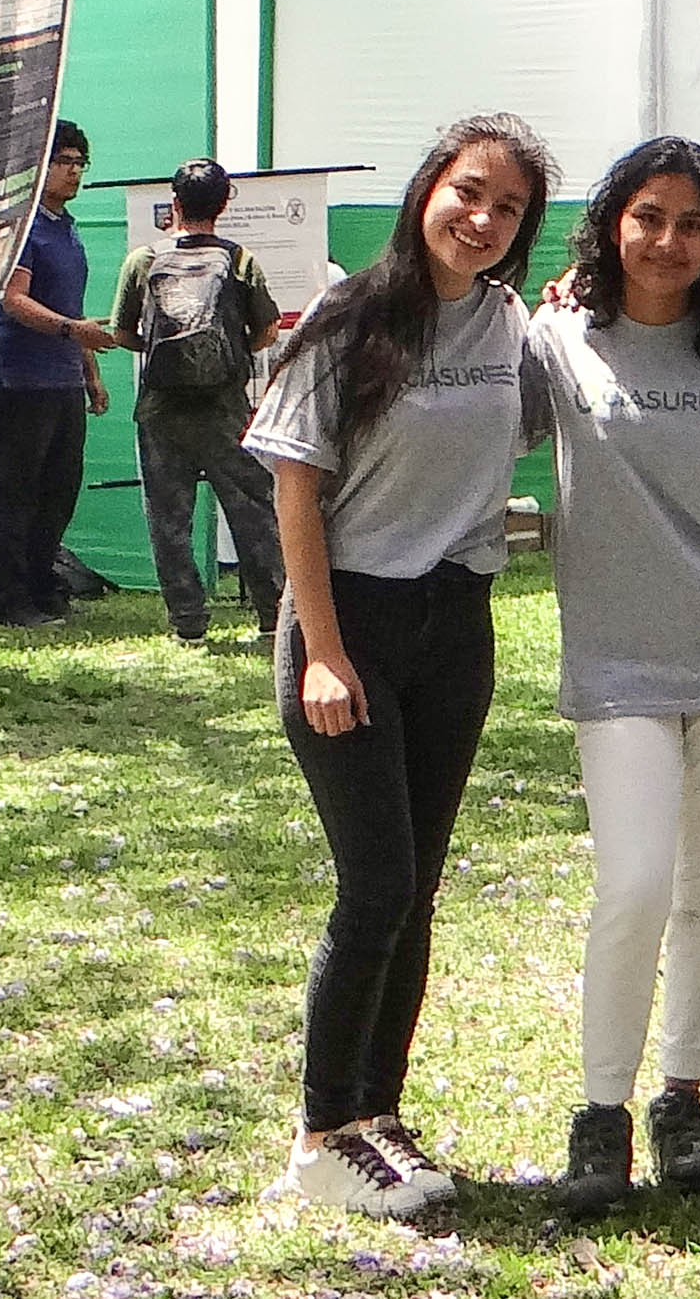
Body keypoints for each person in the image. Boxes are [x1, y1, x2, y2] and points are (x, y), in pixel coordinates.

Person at [243, 113, 553, 1220]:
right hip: (350, 624)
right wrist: (321, 653)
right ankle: (320, 1133)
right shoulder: (349, 318)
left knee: (415, 886)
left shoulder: (511, 326)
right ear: (428, 188)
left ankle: (376, 1114)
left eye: (507, 206)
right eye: (467, 192)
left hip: (454, 625)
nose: (481, 218)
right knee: (372, 884)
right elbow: (293, 492)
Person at [529, 138, 700, 1215]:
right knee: (633, 882)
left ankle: (680, 1097)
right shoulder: (555, 338)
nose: (668, 241)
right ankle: (600, 1109)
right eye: (648, 217)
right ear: (611, 226)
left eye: (693, 224)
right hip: (616, 662)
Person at [115, 156, 287, 647]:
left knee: (168, 518)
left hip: (161, 411)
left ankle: (188, 624)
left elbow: (124, 333)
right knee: (251, 509)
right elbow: (266, 331)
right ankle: (272, 618)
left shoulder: (144, 260)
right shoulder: (239, 260)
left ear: (173, 203)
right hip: (225, 410)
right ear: (225, 203)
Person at [0, 121, 113, 629]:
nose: (74, 172)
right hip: (18, 381)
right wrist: (70, 330)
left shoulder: (67, 227)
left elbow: (72, 310)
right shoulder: (20, 225)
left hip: (63, 382)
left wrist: (90, 373)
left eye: (81, 162)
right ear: (40, 165)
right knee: (13, 493)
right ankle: (5, 599)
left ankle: (42, 584)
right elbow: (13, 301)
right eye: (65, 161)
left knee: (58, 490)